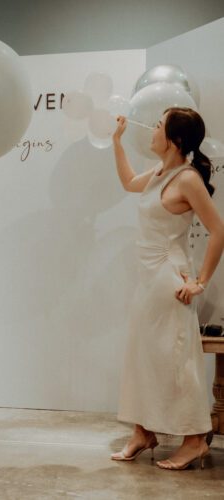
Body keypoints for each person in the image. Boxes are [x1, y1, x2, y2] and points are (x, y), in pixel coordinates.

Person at [110, 107, 224, 470]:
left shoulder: (187, 179)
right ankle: (142, 432)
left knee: (176, 361)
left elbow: (218, 231)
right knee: (143, 355)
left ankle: (194, 441)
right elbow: (129, 182)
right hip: (147, 279)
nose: (152, 129)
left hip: (168, 278)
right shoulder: (161, 171)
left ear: (175, 140)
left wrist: (200, 281)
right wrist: (116, 142)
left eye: (158, 125)